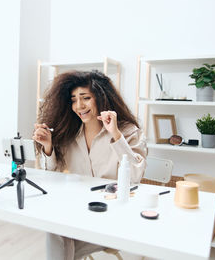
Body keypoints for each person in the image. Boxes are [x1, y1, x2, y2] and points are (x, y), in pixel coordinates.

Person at [32, 70, 147, 260]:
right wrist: (48, 146)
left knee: (61, 241)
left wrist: (116, 135)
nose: (79, 106)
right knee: (56, 231)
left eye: (85, 98)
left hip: (115, 216)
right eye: (74, 100)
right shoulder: (70, 134)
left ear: (102, 99)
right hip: (81, 212)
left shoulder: (127, 131)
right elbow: (52, 175)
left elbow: (134, 177)